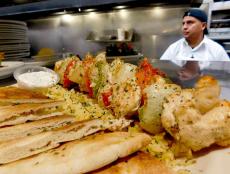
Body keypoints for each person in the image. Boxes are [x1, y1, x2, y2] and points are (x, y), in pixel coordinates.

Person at [160, 8, 229, 82]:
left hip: (206, 89)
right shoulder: (174, 48)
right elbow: (161, 70)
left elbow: (227, 75)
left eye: (190, 22)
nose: (185, 27)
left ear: (203, 26)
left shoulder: (216, 50)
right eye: (183, 23)